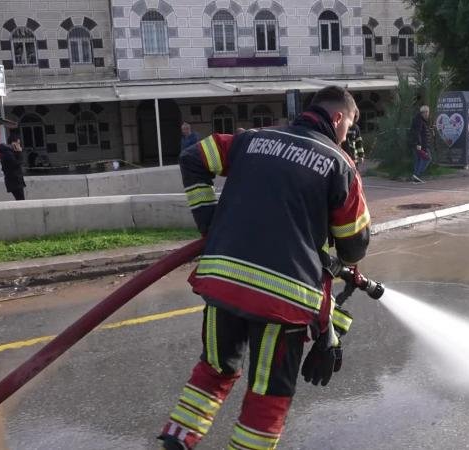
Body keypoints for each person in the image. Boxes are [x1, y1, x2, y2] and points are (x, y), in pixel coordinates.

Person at [158, 86, 371, 450]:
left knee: (215, 369)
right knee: (268, 392)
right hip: (283, 300)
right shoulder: (339, 164)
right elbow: (355, 243)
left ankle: (178, 439)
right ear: (338, 118)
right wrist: (339, 258)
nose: (347, 135)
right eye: (349, 127)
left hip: (223, 281)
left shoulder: (251, 140)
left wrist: (209, 221)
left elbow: (193, 158)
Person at [0, 133, 26, 200]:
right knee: (21, 200)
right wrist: (19, 152)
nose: (19, 145)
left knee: (20, 200)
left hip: (16, 180)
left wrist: (17, 153)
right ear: (13, 143)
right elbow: (16, 163)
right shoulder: (7, 152)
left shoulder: (10, 152)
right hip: (14, 180)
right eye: (18, 143)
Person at [410, 105, 431, 183]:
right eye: (428, 112)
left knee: (418, 160)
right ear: (424, 112)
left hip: (417, 144)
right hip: (421, 145)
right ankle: (417, 175)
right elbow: (417, 133)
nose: (428, 114)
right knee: (427, 158)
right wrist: (419, 144)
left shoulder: (419, 119)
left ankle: (415, 179)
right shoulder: (419, 120)